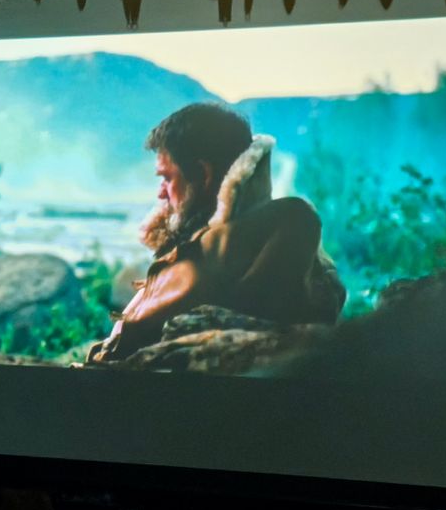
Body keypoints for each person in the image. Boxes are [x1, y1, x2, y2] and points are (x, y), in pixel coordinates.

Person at [87, 103, 346, 363]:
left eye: (167, 178)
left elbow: (254, 322)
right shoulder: (195, 242)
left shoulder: (284, 222)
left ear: (203, 174)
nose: (160, 193)